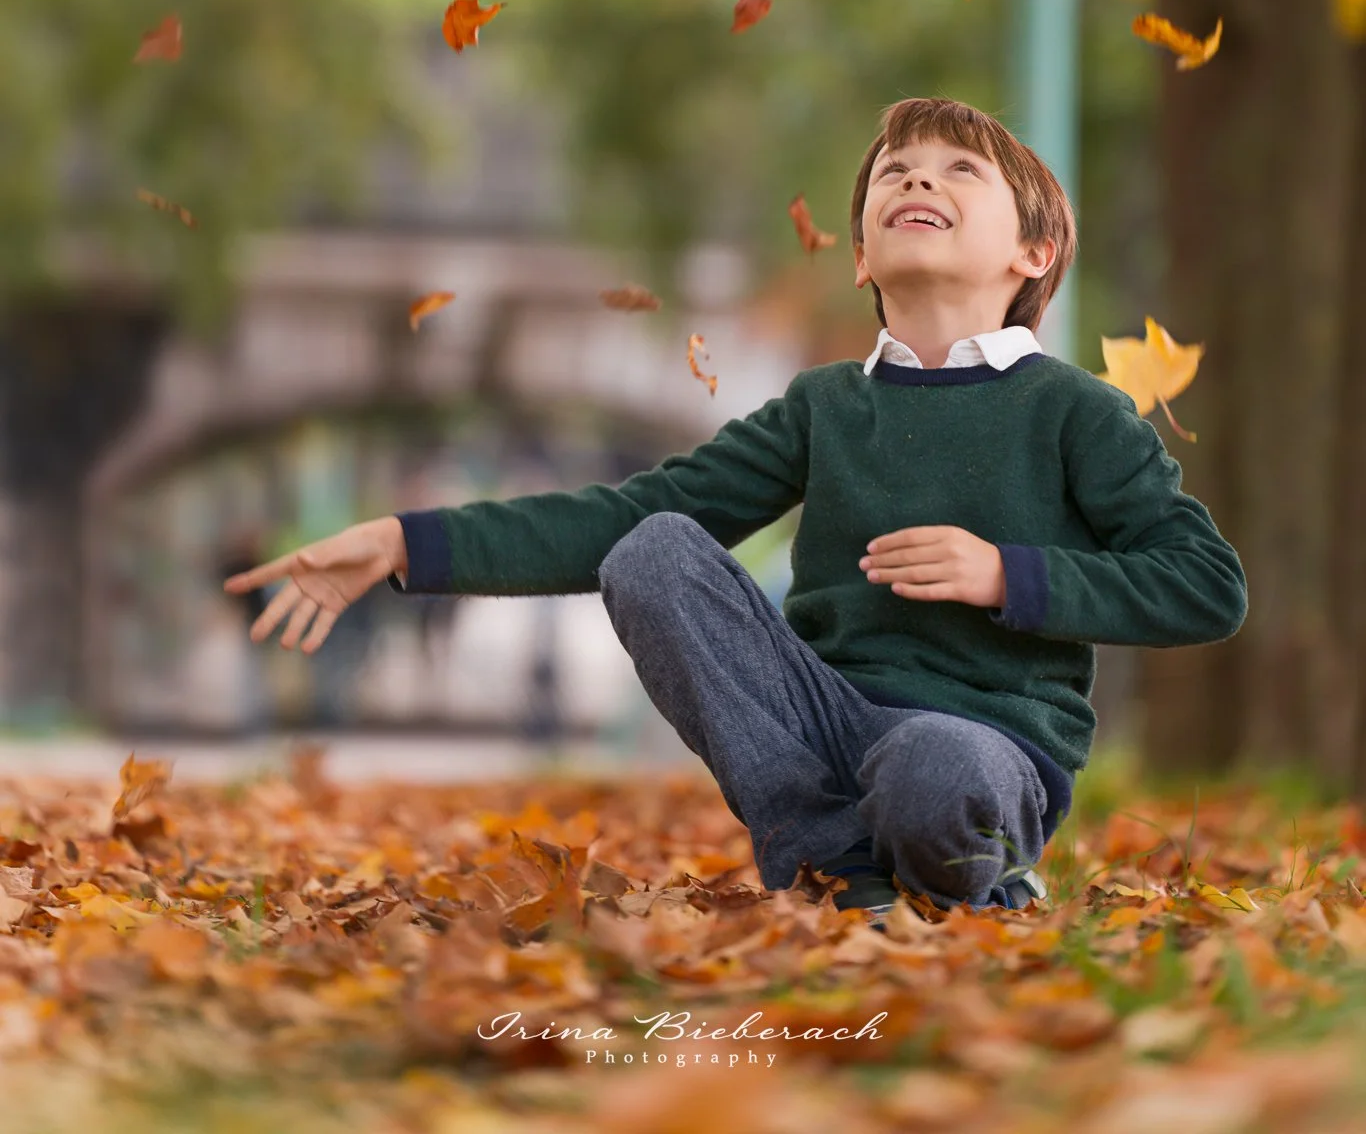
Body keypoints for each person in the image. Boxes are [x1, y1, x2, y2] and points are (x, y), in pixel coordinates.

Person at [224, 96, 1247, 928]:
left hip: (983, 739)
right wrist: (406, 540)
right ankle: (833, 859)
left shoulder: (1073, 410)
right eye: (895, 170)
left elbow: (1205, 583)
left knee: (934, 772)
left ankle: (953, 871)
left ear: (1033, 251)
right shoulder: (825, 405)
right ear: (858, 256)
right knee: (657, 548)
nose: (916, 178)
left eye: (956, 170)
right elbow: (629, 514)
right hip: (816, 718)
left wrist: (1006, 573)